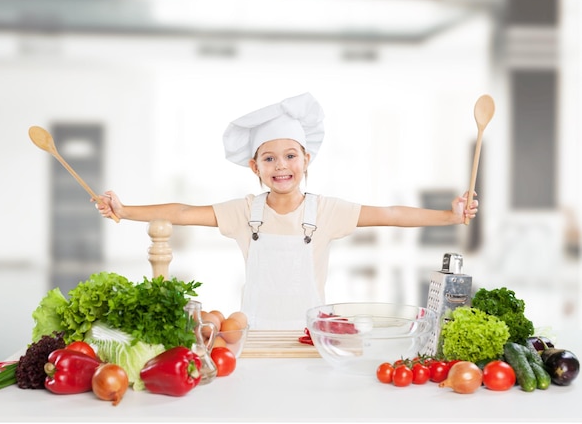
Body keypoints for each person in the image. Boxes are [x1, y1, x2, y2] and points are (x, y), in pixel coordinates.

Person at [94, 92, 478, 330]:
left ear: (306, 159)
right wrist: (125, 210)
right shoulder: (245, 211)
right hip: (254, 333)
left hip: (310, 335)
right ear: (254, 167)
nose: (281, 166)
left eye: (290, 155)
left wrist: (449, 216)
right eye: (269, 158)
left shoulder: (326, 210)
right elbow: (182, 211)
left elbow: (391, 214)